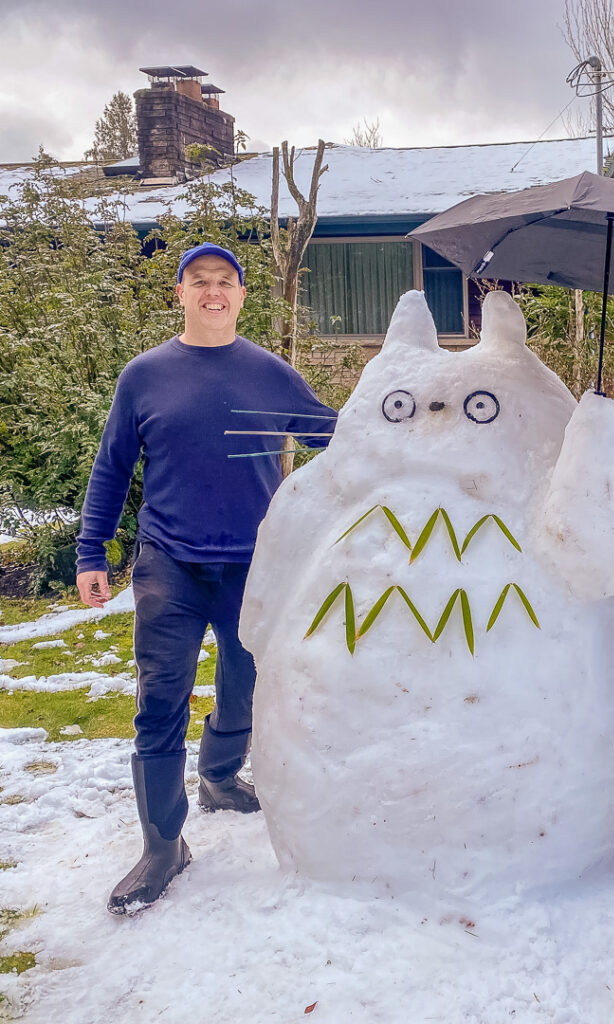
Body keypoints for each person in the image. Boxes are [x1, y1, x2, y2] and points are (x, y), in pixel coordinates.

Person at [76, 242, 336, 915]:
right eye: (200, 281)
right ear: (181, 293)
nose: (213, 291)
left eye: (225, 281)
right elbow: (111, 470)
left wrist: (418, 426)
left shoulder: (271, 375)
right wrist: (91, 553)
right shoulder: (145, 376)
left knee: (246, 690)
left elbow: (338, 443)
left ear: (242, 295)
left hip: (253, 566)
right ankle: (163, 846)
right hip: (170, 563)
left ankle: (220, 775)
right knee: (159, 700)